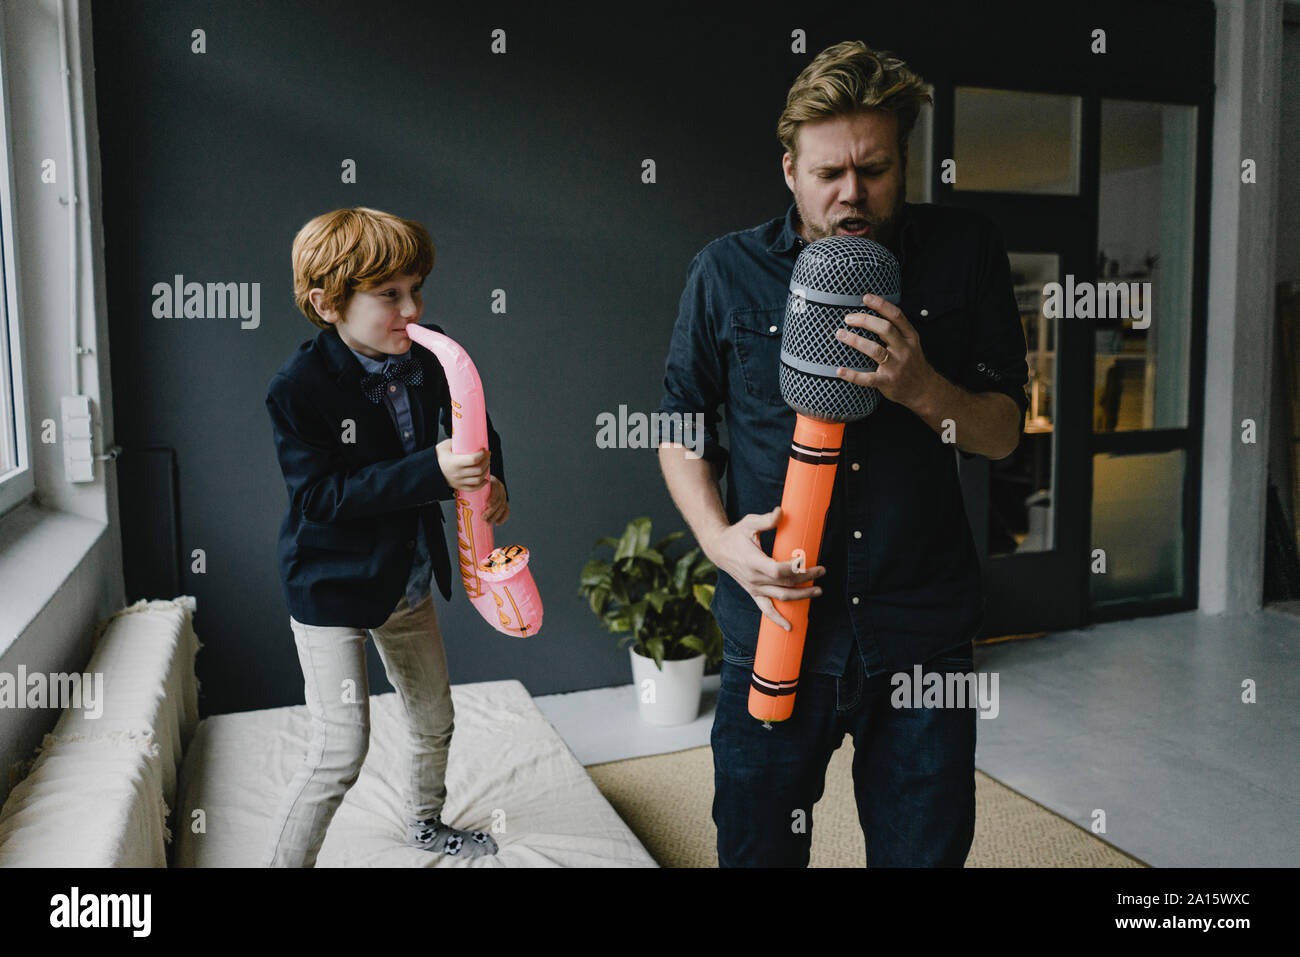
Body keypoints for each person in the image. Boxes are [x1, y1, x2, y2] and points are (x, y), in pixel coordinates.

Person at [656, 41, 1029, 867]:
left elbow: (1004, 431)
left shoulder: (967, 251)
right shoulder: (725, 270)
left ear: (905, 163)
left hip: (922, 631)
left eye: (875, 169)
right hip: (774, 626)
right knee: (756, 852)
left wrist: (925, 387)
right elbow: (682, 427)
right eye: (829, 172)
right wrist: (720, 543)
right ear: (790, 169)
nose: (852, 193)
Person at [262, 206, 508, 866]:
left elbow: (475, 424)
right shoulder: (297, 388)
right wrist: (432, 469)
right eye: (390, 295)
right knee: (339, 750)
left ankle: (425, 824)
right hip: (332, 586)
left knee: (435, 719)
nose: (413, 308)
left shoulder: (430, 355)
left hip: (409, 576)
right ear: (326, 303)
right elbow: (321, 496)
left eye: (416, 289)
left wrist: (494, 479)